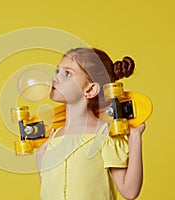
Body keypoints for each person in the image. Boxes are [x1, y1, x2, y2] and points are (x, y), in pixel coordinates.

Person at [36, 48, 146, 200]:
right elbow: (50, 192)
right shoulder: (54, 136)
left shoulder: (105, 133)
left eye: (67, 73)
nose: (55, 79)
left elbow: (129, 191)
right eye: (57, 71)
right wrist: (41, 160)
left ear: (90, 89)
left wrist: (135, 139)